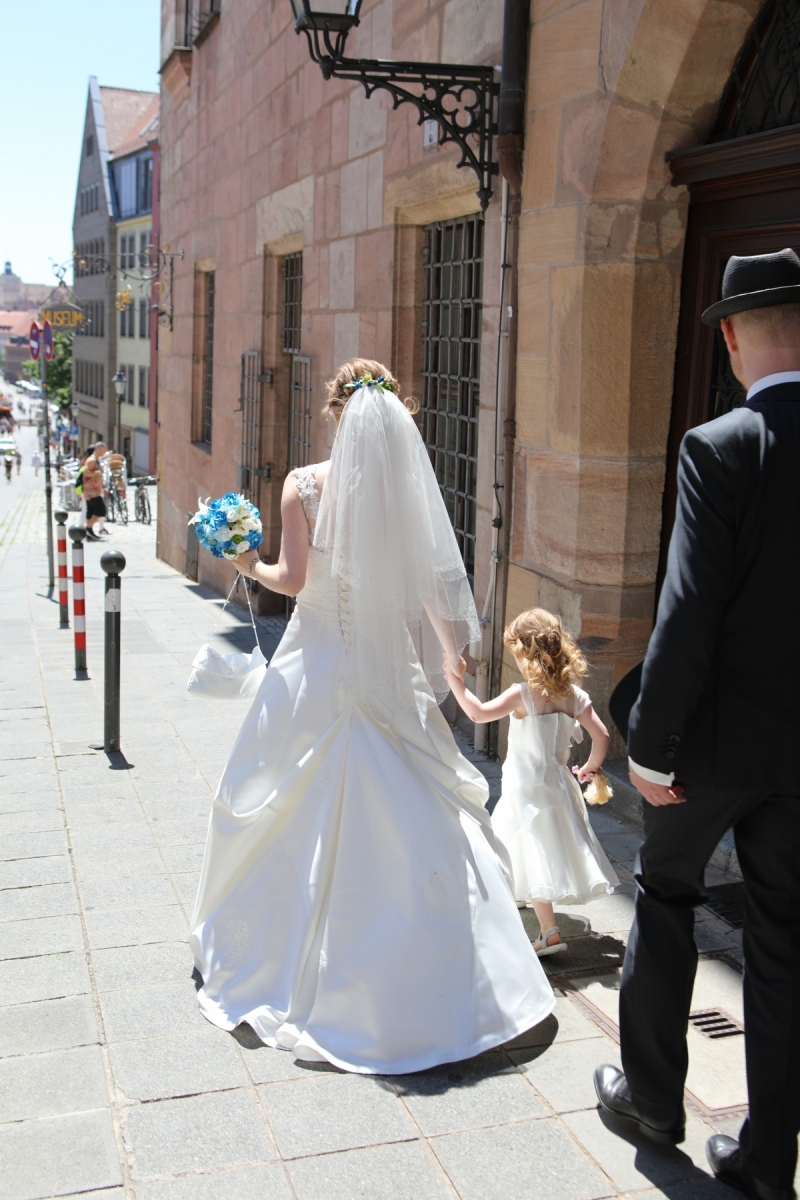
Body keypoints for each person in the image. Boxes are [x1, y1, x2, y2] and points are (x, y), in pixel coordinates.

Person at [190, 359, 554, 1074]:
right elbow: (429, 584)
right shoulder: (402, 490)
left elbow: (294, 581)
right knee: (420, 800)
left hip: (317, 664)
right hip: (386, 672)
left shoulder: (303, 485)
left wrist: (248, 561)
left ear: (335, 412)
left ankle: (293, 960)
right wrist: (450, 653)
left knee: (272, 796)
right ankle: (446, 967)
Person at [594, 249, 800, 1200]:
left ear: (730, 341)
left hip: (708, 750)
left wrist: (651, 746)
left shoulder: (720, 445)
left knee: (666, 893)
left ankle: (651, 1103)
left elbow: (688, 612)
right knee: (784, 941)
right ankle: (765, 1163)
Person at [446, 608, 618, 957]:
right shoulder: (574, 695)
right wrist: (591, 767)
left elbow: (478, 713)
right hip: (559, 785)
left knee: (531, 847)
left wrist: (455, 682)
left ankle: (549, 931)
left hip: (525, 789)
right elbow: (601, 736)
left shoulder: (522, 694)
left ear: (527, 654)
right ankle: (525, 896)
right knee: (545, 845)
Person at [82, 442, 108, 541]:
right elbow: (85, 472)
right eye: (104, 450)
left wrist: (103, 486)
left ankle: (89, 532)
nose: (104, 452)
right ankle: (88, 528)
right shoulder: (92, 460)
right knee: (101, 510)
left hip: (94, 489)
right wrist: (96, 473)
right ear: (99, 449)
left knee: (91, 510)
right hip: (91, 491)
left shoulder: (96, 460)